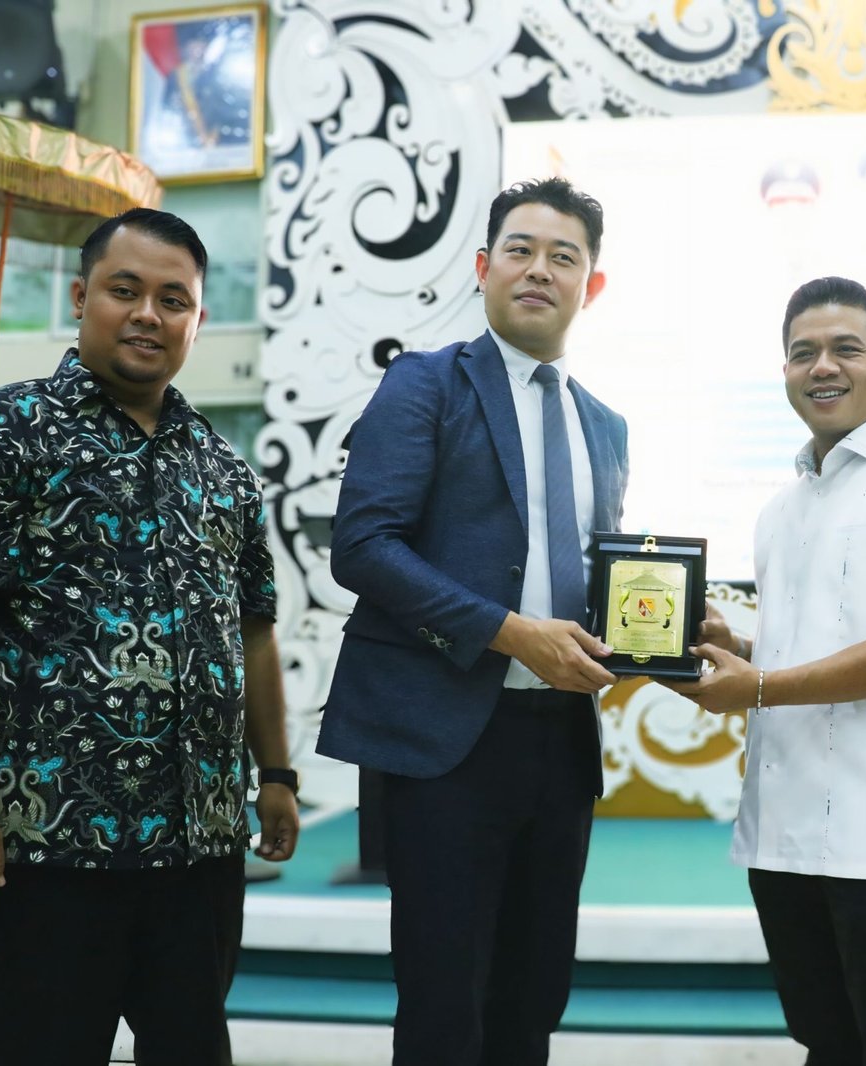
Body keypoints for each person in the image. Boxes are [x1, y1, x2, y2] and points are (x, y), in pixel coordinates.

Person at [0, 207, 300, 1065]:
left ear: (197, 319)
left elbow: (253, 634)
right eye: (125, 290)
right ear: (81, 298)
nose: (149, 314)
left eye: (173, 300)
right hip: (35, 848)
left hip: (197, 852)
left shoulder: (221, 470)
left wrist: (275, 775)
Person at [318, 178, 628, 1065]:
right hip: (446, 742)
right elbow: (364, 546)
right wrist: (509, 631)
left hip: (560, 744)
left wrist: (664, 631)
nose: (539, 270)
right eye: (520, 250)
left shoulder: (606, 425)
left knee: (534, 998)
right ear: (486, 267)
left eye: (563, 256)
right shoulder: (425, 383)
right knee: (445, 1006)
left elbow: (598, 577)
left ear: (591, 285)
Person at [670, 276, 866, 1065]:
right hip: (779, 827)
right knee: (825, 1039)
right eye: (803, 352)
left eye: (847, 349)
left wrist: (759, 686)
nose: (823, 367)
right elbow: (809, 648)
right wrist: (738, 651)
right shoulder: (781, 509)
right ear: (784, 371)